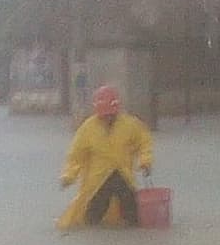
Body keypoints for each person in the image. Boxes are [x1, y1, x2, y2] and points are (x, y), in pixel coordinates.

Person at [57, 85, 154, 230]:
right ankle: (92, 224)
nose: (108, 117)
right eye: (105, 114)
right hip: (98, 180)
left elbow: (144, 142)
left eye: (111, 114)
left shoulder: (130, 124)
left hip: (123, 175)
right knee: (92, 215)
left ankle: (133, 225)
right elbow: (76, 155)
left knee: (132, 211)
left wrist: (145, 161)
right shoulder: (88, 128)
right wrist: (69, 176)